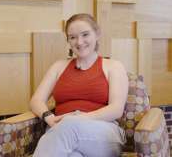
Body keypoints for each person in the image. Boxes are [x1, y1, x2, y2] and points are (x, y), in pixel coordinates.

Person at [30, 13, 128, 157]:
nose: (79, 42)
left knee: (69, 127)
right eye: (73, 37)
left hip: (104, 131)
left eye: (85, 35)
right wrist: (50, 118)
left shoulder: (113, 66)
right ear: (68, 41)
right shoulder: (58, 67)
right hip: (60, 130)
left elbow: (116, 109)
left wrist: (79, 118)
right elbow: (36, 100)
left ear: (97, 34)